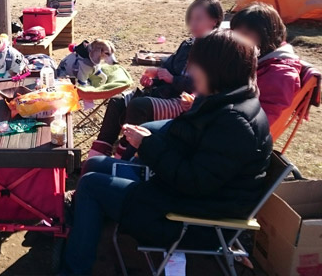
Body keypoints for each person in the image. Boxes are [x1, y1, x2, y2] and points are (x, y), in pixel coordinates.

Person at [62, 30, 273, 275]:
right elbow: (192, 141)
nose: (191, 73)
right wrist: (153, 133)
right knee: (97, 165)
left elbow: (194, 181)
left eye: (196, 66)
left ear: (216, 70)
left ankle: (73, 269)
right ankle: (88, 232)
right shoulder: (222, 99)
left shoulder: (236, 123)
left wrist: (148, 145)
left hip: (194, 219)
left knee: (90, 185)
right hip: (183, 194)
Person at [88, 0, 224, 159]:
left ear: (215, 21)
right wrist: (155, 77)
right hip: (167, 92)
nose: (193, 24)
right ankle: (96, 156)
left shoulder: (216, 48)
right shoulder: (189, 43)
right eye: (192, 18)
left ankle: (123, 158)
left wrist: (173, 80)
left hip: (186, 103)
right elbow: (169, 67)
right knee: (117, 102)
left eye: (199, 19)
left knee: (139, 106)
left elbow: (207, 86)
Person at [230, 2, 301, 125]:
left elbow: (261, 122)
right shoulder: (253, 56)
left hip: (238, 134)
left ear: (267, 36)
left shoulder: (280, 75)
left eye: (245, 34)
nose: (237, 40)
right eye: (235, 34)